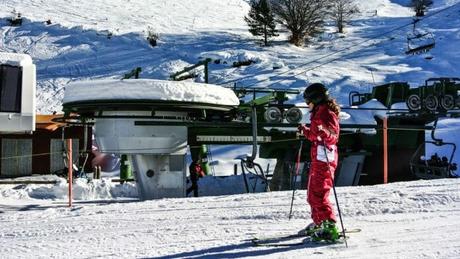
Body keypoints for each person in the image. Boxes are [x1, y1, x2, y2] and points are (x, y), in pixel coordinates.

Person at [298, 83, 341, 241]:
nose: (306, 105)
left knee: (319, 193)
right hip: (319, 158)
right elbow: (316, 135)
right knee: (311, 194)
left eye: (307, 101)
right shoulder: (318, 112)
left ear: (315, 99)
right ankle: (319, 222)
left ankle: (329, 226)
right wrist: (305, 131)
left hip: (326, 159)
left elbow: (333, 136)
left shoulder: (327, 113)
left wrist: (324, 132)